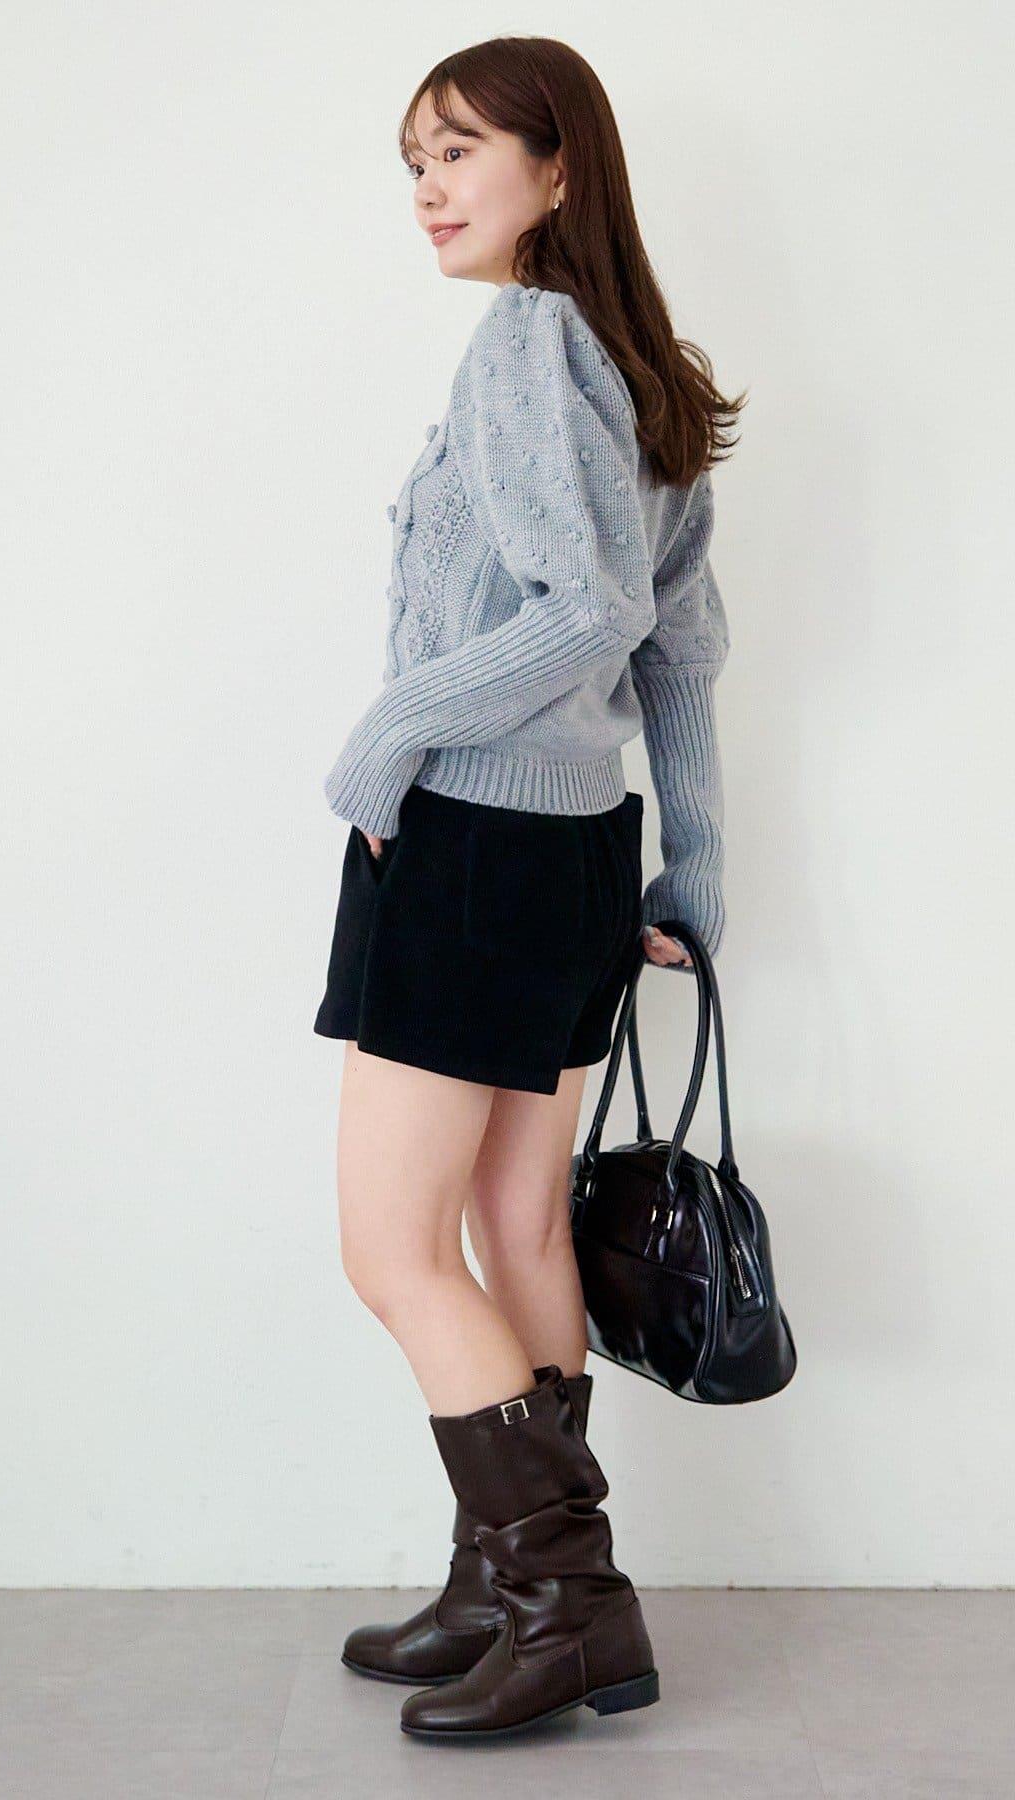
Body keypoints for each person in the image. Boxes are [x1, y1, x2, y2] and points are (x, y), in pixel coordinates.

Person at [312, 34, 744, 1740]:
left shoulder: (526, 347)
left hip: (480, 851)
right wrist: (694, 872)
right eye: (414, 160)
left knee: (393, 1251)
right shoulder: (644, 369)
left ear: (559, 168)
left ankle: (568, 1606)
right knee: (513, 1226)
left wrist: (384, 735)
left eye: (460, 152)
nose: (429, 189)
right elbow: (681, 658)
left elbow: (596, 615)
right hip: (577, 857)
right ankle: (510, 1587)